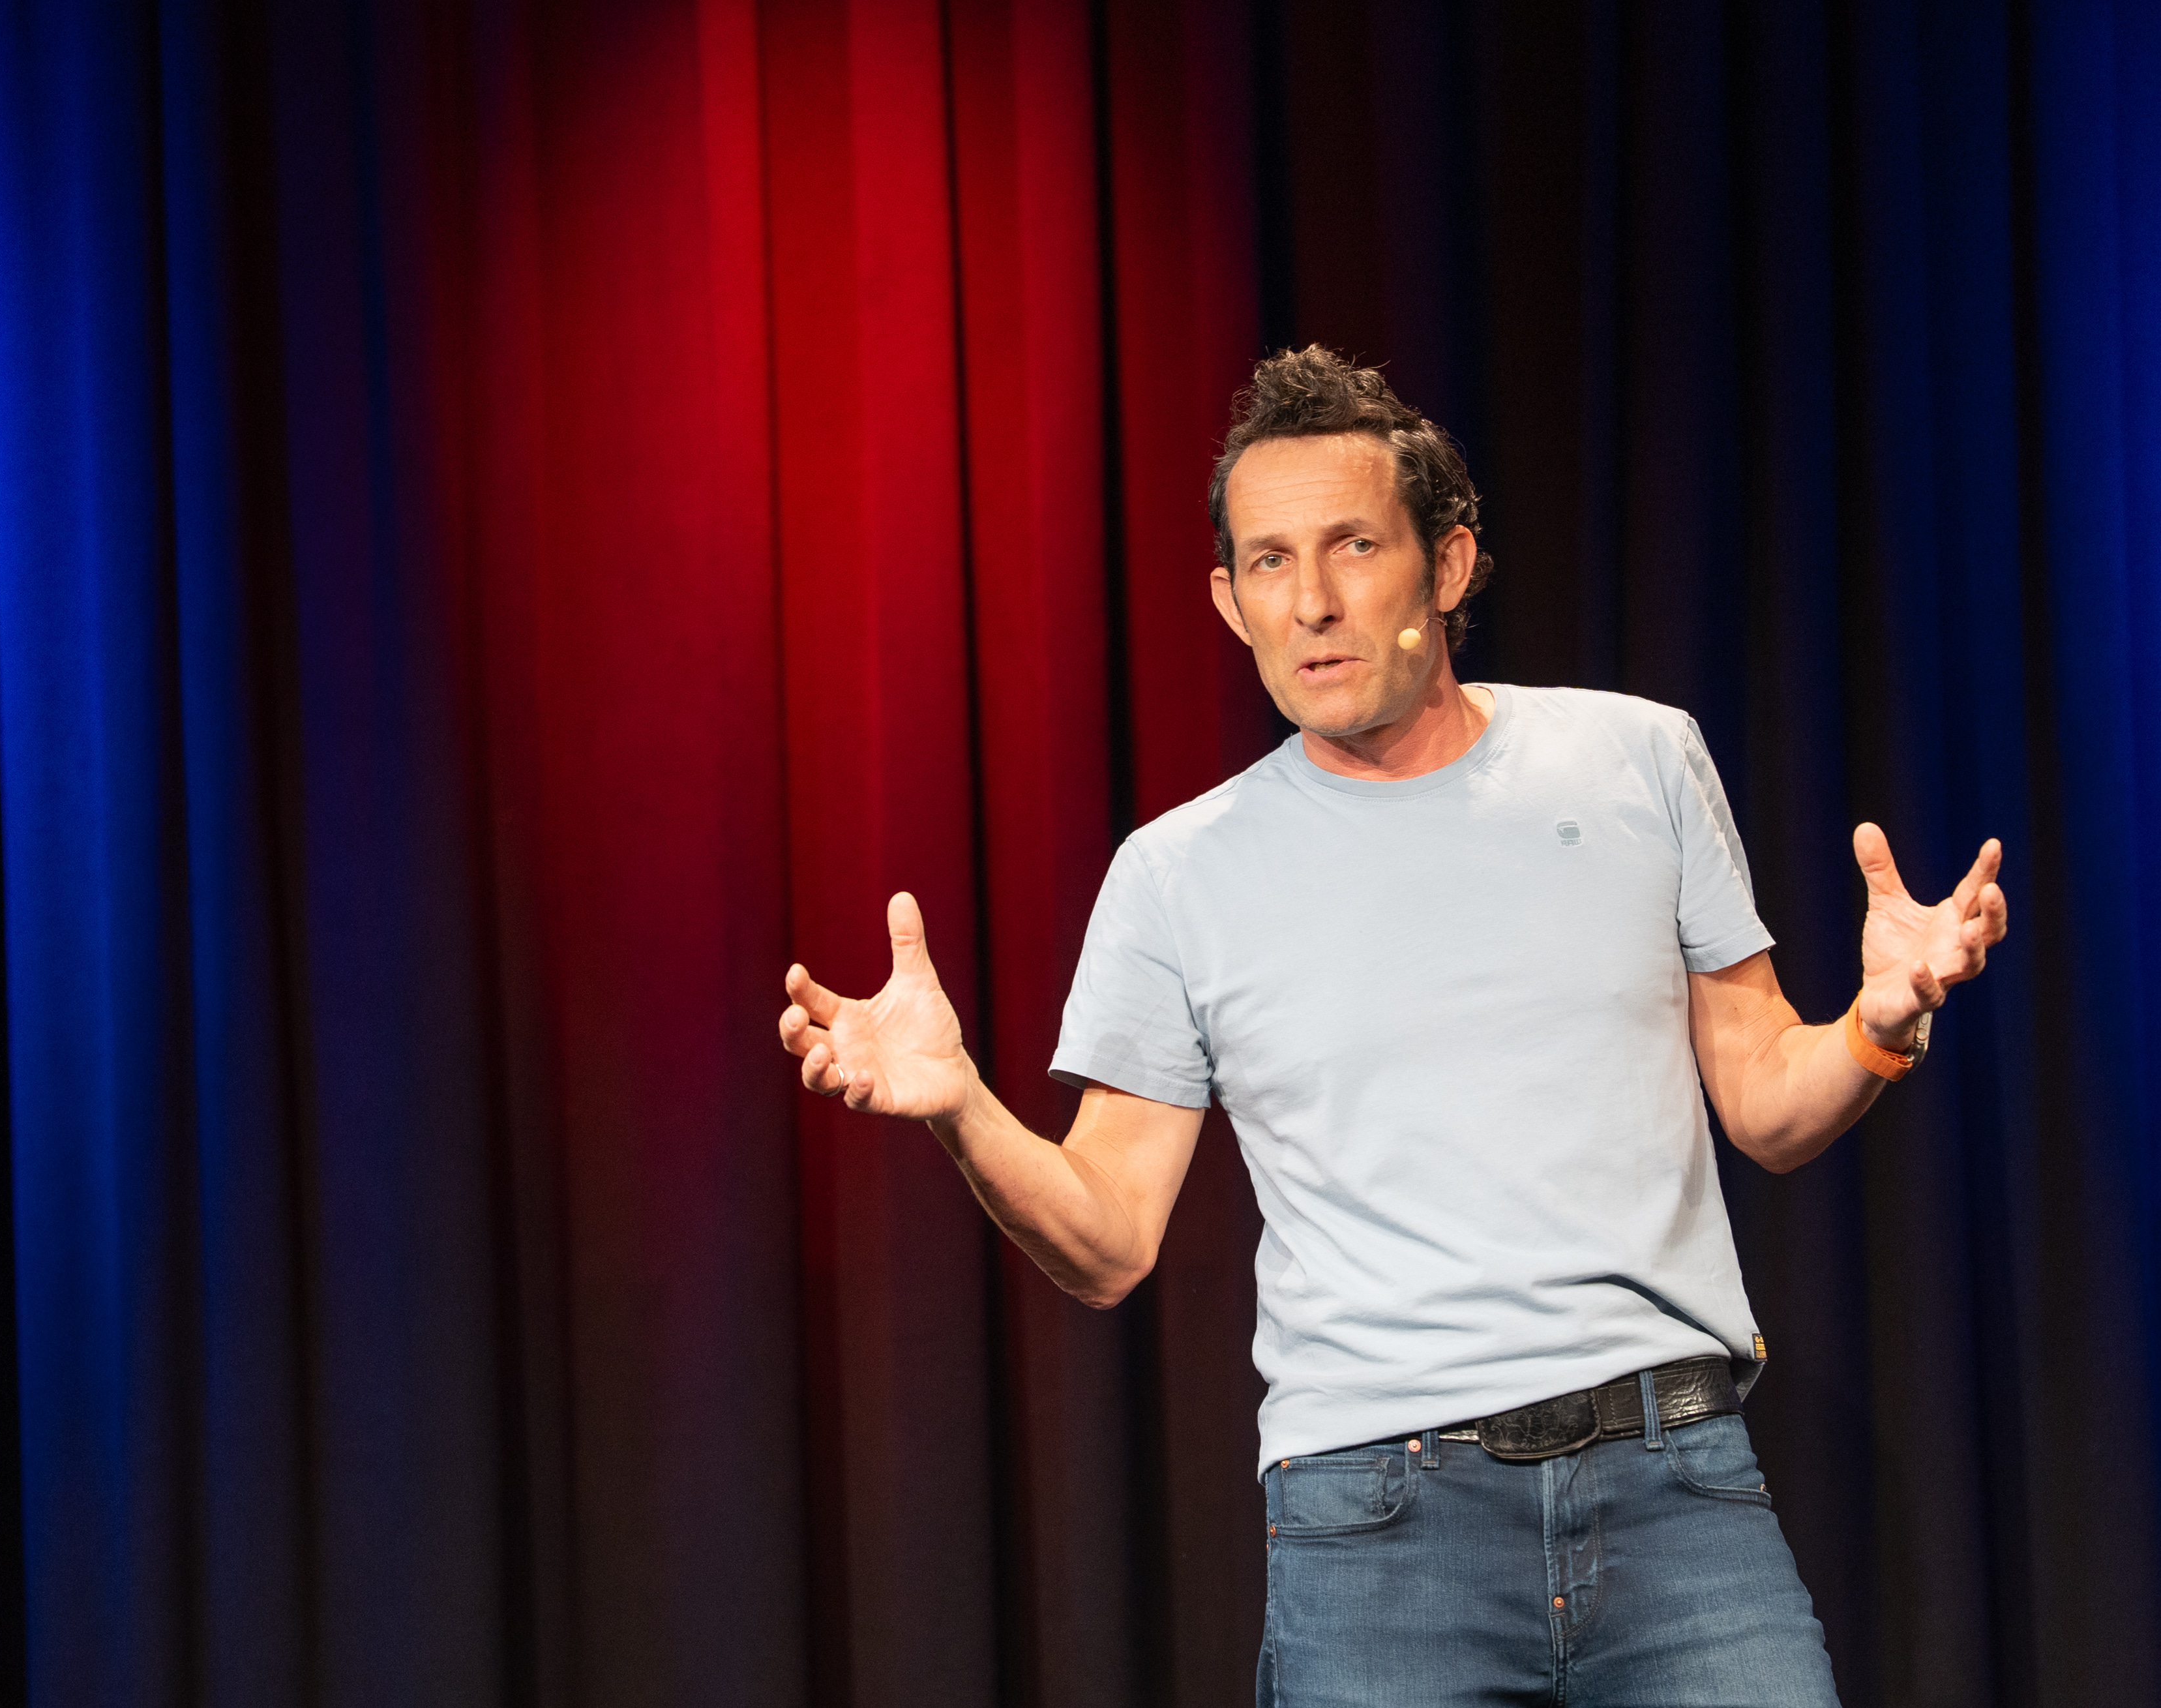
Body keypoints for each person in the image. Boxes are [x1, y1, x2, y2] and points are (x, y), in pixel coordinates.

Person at [778, 347, 2007, 1706]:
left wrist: (1878, 1024)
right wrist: (961, 1105)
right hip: (1376, 1525)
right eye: (1268, 562)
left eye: (1353, 546)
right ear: (1228, 601)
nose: (1310, 601)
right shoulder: (1178, 875)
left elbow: (1767, 1102)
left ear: (1448, 565)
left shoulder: (1636, 758)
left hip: (1672, 1480)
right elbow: (1108, 1241)